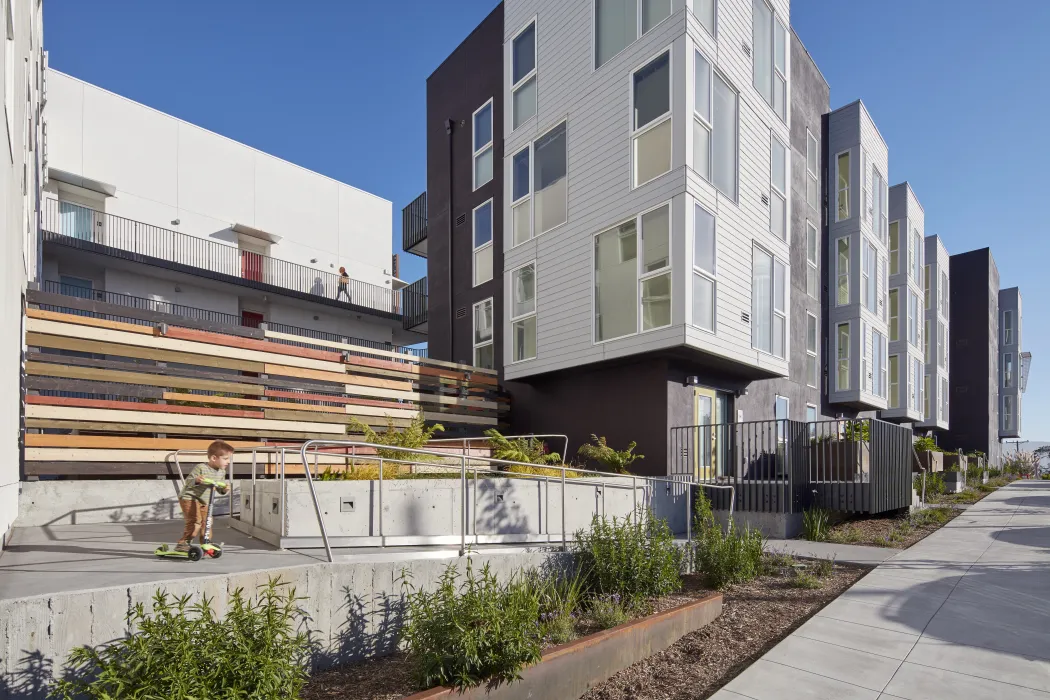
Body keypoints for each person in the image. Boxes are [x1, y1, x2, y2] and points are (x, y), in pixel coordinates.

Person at [176, 440, 233, 552]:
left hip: (205, 501)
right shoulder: (201, 468)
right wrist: (197, 480)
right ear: (213, 458)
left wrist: (224, 489)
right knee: (195, 521)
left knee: (207, 522)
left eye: (229, 459)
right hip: (189, 498)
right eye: (226, 459)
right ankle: (183, 544)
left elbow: (220, 488)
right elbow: (188, 481)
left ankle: (206, 543)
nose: (228, 462)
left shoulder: (221, 472)